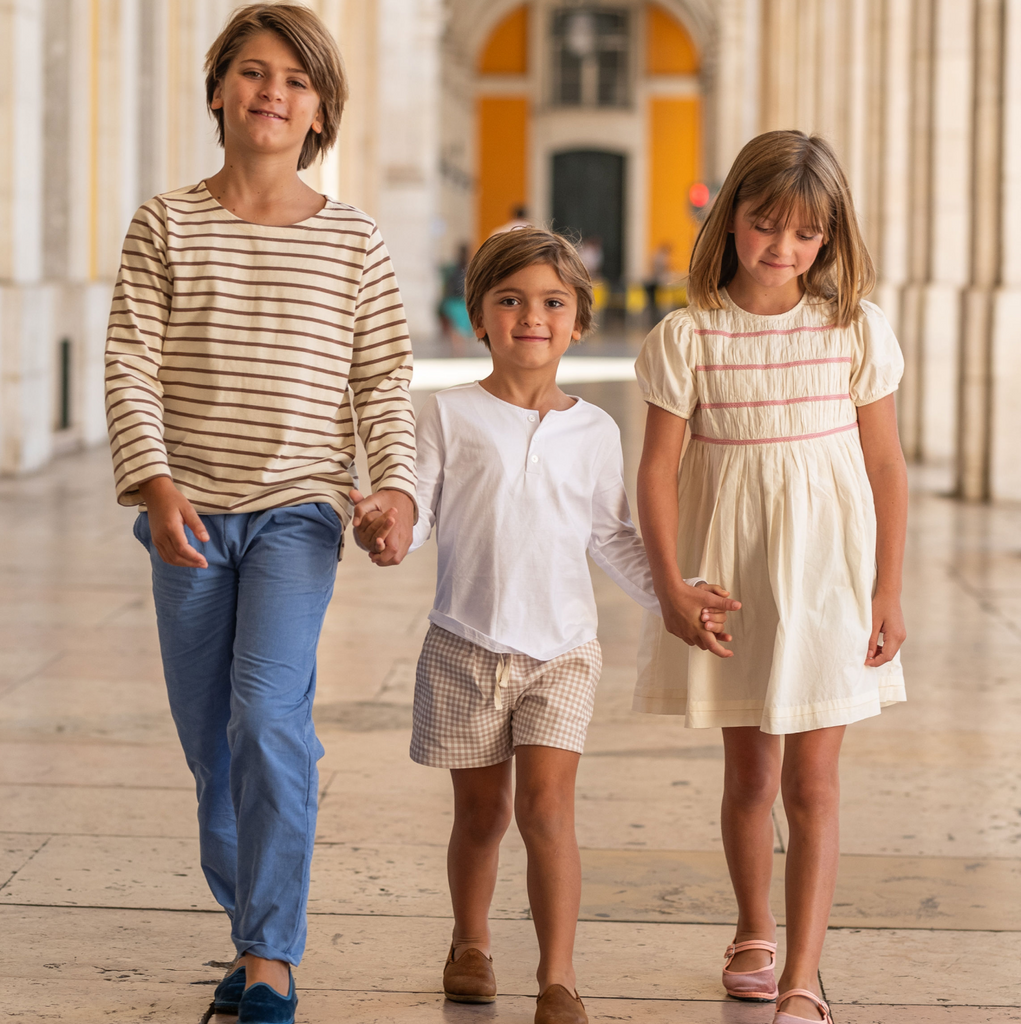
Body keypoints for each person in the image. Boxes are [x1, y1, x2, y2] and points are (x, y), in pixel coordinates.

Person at [103, 6, 417, 1023]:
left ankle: (271, 952)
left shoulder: (356, 242)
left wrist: (394, 490)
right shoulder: (164, 223)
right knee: (210, 741)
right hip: (185, 515)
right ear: (217, 93)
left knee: (268, 717)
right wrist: (153, 485)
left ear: (321, 108)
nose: (270, 90)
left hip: (296, 515)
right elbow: (130, 365)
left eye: (294, 78)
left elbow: (384, 383)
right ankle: (252, 926)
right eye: (249, 71)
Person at [351, 227, 739, 1024]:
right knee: (480, 814)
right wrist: (389, 530)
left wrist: (672, 591)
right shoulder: (447, 415)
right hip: (465, 640)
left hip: (562, 651)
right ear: (479, 316)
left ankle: (557, 977)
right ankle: (470, 941)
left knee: (547, 810)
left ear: (577, 321)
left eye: (552, 303)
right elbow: (415, 510)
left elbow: (609, 535)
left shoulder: (594, 431)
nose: (532, 316)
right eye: (511, 301)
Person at [633, 130, 908, 1023]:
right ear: (731, 222)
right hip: (734, 584)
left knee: (814, 785)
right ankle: (753, 926)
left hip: (828, 580)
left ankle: (802, 972)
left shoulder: (853, 328)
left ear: (828, 238)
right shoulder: (688, 336)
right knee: (750, 777)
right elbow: (657, 471)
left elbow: (886, 466)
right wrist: (670, 585)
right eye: (763, 226)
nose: (781, 249)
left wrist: (888, 590)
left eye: (803, 234)